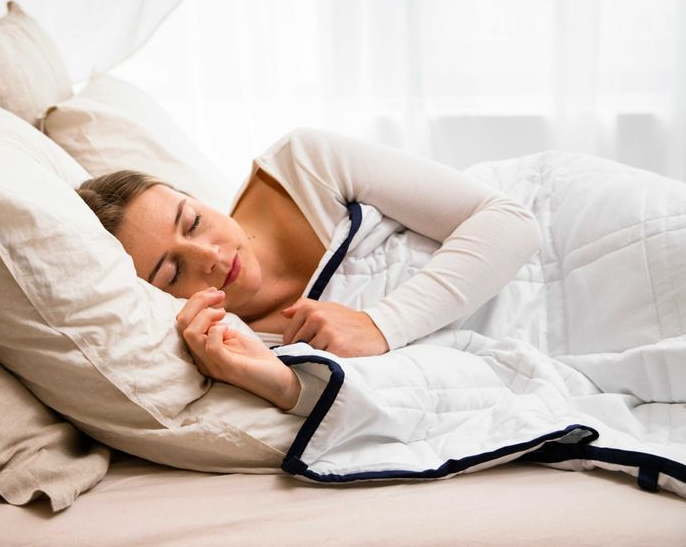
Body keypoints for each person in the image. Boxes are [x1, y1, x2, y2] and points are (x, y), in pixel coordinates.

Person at [76, 128, 543, 412]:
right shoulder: (232, 345)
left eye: (194, 221)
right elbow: (385, 407)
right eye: (173, 273)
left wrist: (381, 325)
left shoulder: (303, 164)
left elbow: (511, 222)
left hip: (562, 219)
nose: (211, 257)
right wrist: (283, 385)